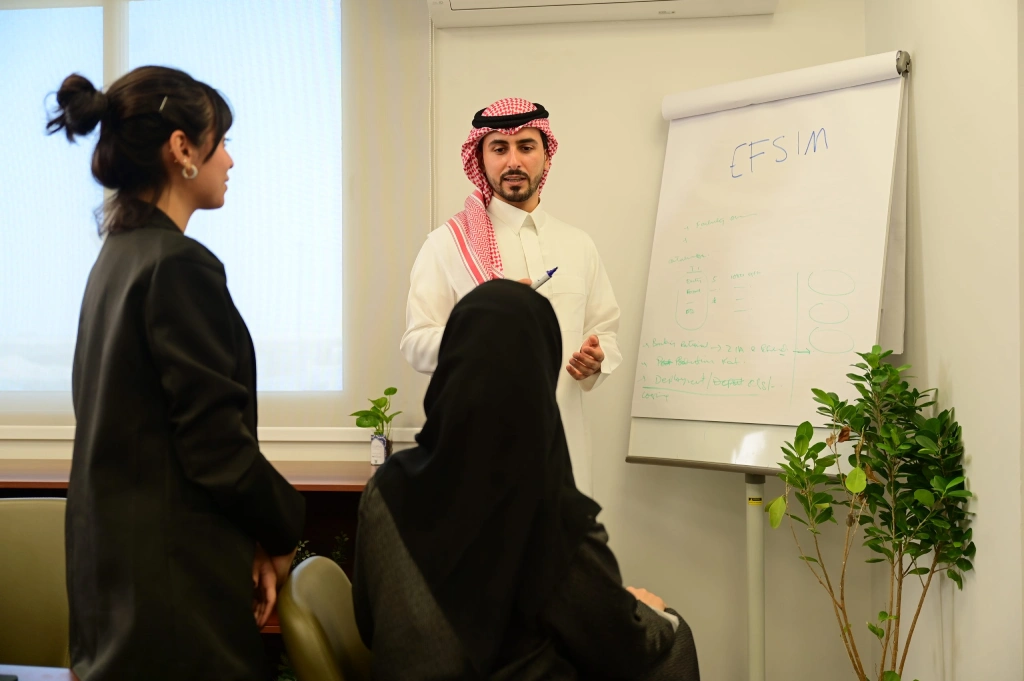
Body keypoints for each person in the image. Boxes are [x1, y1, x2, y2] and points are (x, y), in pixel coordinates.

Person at [47, 66, 306, 681]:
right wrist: (282, 529)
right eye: (223, 142)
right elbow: (215, 445)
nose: (231, 161)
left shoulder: (115, 259)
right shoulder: (177, 265)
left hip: (118, 584)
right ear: (182, 149)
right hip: (172, 598)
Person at [354, 280, 698, 680]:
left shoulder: (386, 488)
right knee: (675, 637)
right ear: (540, 377)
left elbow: (368, 623)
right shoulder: (552, 514)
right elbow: (621, 645)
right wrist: (652, 613)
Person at [400, 98, 621, 495]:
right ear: (480, 159)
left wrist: (597, 359)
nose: (513, 161)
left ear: (546, 156)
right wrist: (483, 328)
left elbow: (604, 329)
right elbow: (416, 345)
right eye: (500, 148)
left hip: (565, 451)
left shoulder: (578, 245)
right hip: (481, 455)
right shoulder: (447, 245)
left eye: (526, 147)